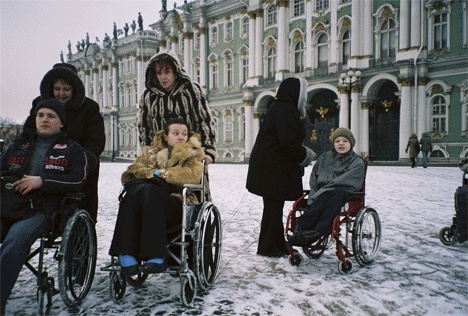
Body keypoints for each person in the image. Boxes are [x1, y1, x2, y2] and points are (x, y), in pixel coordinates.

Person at [1, 99, 88, 314]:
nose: (45, 120)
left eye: (51, 116)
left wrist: (42, 181)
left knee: (16, 238)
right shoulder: (19, 145)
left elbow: (79, 180)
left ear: (61, 123)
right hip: (9, 206)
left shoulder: (72, 150)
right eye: (41, 115)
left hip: (44, 210)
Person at [109, 117, 204, 276]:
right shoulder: (150, 153)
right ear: (166, 136)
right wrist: (151, 176)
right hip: (145, 202)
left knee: (148, 190)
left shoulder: (192, 154)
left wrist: (164, 174)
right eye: (175, 133)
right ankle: (126, 254)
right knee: (133, 192)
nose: (181, 137)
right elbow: (133, 170)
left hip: (177, 205)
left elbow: (192, 175)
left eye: (184, 133)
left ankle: (156, 255)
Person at [23, 63, 105, 222]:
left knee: (82, 210)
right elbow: (28, 133)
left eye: (66, 89)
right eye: (57, 88)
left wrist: (84, 162)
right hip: (44, 163)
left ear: (75, 88)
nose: (61, 93)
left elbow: (96, 141)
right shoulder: (40, 105)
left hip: (79, 167)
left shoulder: (89, 108)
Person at [246, 77, 316, 257]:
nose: (304, 98)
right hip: (273, 170)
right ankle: (269, 248)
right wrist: (305, 155)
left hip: (269, 169)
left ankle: (274, 245)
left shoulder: (277, 108)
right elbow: (289, 143)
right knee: (273, 210)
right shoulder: (287, 110)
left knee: (273, 209)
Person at [287, 127, 365, 246]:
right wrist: (314, 193)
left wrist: (323, 191)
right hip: (320, 194)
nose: (341, 144)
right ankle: (302, 229)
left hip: (343, 194)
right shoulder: (324, 158)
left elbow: (348, 181)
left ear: (351, 143)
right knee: (316, 198)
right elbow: (314, 178)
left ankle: (318, 230)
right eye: (337, 141)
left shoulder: (357, 162)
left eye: (345, 141)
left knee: (334, 193)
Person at [138, 49, 217, 165]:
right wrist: (150, 154)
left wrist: (208, 151)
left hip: (191, 156)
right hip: (161, 157)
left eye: (167, 72)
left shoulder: (191, 91)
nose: (163, 77)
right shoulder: (148, 96)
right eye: (159, 73)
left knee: (188, 181)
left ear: (175, 71)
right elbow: (144, 128)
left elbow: (204, 121)